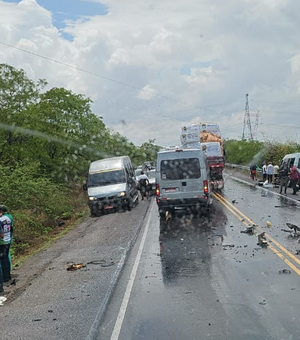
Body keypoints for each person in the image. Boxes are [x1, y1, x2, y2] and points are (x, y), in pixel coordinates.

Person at [0, 207, 12, 283]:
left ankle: (5, 277)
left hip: (2, 242)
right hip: (8, 240)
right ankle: (8, 274)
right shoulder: (8, 218)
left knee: (3, 260)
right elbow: (11, 229)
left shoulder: (1, 220)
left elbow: (1, 234)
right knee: (6, 258)